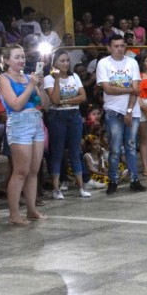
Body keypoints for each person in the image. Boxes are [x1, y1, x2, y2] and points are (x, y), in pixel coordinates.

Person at [0, 44, 49, 224]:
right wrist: (31, 86)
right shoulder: (3, 79)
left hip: (36, 122)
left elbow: (46, 105)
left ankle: (31, 209)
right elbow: (16, 105)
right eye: (17, 57)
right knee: (20, 171)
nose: (21, 60)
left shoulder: (29, 77)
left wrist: (40, 87)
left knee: (34, 170)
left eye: (23, 57)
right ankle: (14, 213)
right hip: (19, 124)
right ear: (6, 60)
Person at [96, 35, 146, 195]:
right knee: (115, 149)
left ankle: (134, 179)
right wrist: (131, 89)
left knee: (131, 147)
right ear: (109, 48)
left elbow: (136, 89)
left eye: (122, 46)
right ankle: (113, 180)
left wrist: (130, 110)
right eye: (116, 46)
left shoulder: (132, 62)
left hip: (133, 111)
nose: (120, 49)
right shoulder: (103, 63)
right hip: (113, 110)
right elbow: (108, 89)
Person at [43, 49, 90, 199]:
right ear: (55, 63)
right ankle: (56, 188)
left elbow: (83, 97)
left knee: (75, 152)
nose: (65, 63)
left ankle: (81, 186)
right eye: (62, 61)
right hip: (57, 117)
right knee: (57, 153)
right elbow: (54, 100)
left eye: (67, 61)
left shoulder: (74, 76)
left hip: (74, 115)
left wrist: (65, 101)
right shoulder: (48, 79)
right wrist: (57, 79)